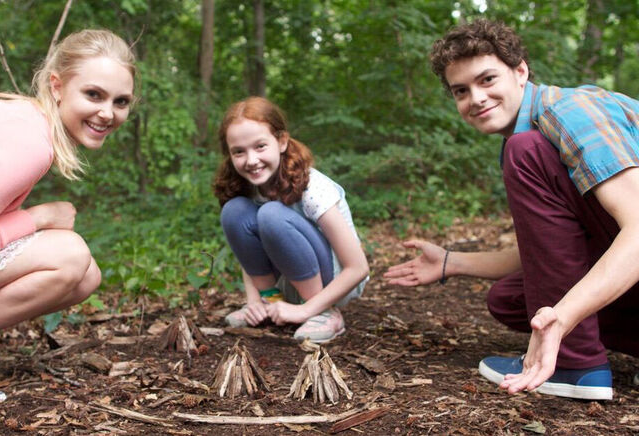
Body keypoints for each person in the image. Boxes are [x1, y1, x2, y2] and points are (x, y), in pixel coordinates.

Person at [384, 19, 639, 400]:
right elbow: (552, 250)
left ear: (520, 71)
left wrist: (563, 318)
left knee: (527, 152)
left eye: (487, 80)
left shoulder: (569, 113)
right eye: (461, 91)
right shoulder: (528, 136)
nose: (476, 98)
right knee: (511, 299)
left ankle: (575, 363)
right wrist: (450, 262)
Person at [0, 29, 136, 409]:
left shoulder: (25, 123)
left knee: (86, 275)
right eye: (94, 95)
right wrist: (38, 216)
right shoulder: (27, 143)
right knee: (69, 255)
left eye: (121, 101)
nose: (108, 112)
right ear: (57, 86)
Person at [213, 97, 369, 344]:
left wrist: (305, 310)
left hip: (335, 282)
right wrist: (254, 302)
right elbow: (249, 253)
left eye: (260, 146)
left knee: (271, 214)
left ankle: (323, 312)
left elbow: (358, 268)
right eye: (239, 152)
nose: (251, 160)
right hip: (285, 279)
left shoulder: (313, 188)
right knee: (234, 211)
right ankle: (270, 302)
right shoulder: (250, 186)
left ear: (282, 141)